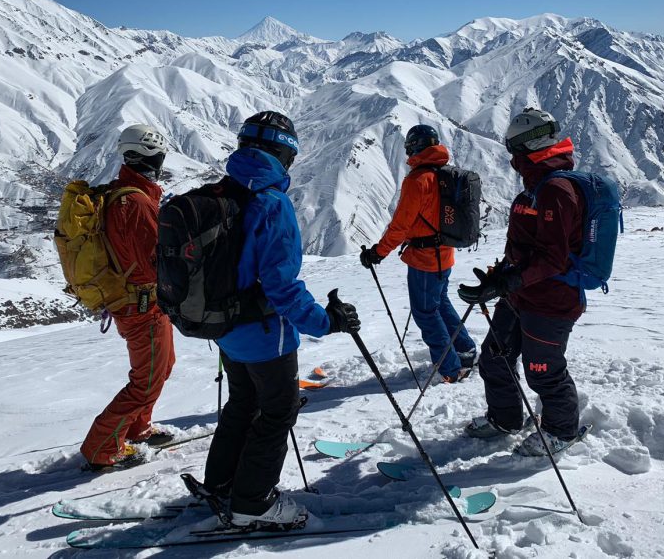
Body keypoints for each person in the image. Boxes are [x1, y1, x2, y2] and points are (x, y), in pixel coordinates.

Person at [202, 111, 360, 528]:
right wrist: (326, 322)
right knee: (278, 410)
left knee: (242, 403)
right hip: (264, 333)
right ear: (284, 156)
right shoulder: (272, 204)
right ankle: (252, 503)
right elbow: (282, 287)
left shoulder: (222, 192)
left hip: (226, 329)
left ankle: (220, 483)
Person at [458, 107, 584, 455]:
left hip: (551, 300)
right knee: (494, 356)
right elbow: (527, 251)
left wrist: (507, 283)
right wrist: (499, 278)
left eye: (513, 148)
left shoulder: (556, 191)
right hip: (521, 295)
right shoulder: (536, 187)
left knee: (543, 369)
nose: (511, 156)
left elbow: (553, 259)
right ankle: (506, 418)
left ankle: (562, 431)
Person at [80, 124, 177, 470]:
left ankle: (139, 428)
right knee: (146, 379)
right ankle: (101, 448)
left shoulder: (127, 193)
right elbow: (155, 258)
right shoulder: (135, 202)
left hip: (140, 302)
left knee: (160, 368)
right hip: (143, 304)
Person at [359, 124, 477, 383]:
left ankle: (449, 368)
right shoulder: (442, 175)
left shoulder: (417, 180)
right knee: (440, 303)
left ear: (415, 147)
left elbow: (401, 225)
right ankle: (465, 350)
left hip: (425, 259)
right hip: (444, 254)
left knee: (426, 312)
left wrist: (378, 253)